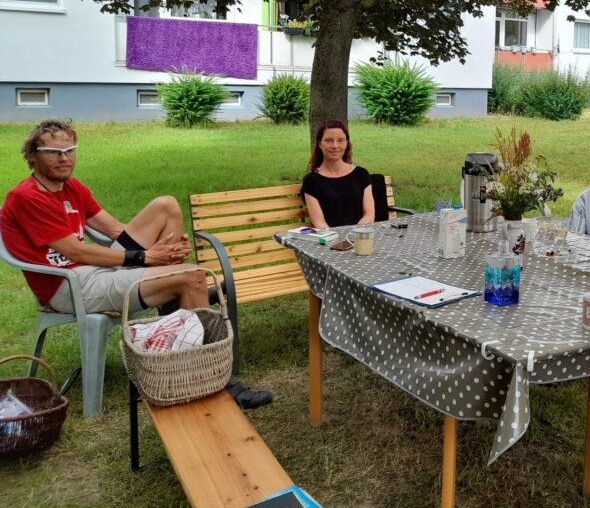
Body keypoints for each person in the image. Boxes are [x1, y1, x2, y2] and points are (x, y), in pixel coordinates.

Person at [1, 120, 271, 409]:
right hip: (67, 286)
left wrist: (164, 251)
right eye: (54, 152)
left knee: (166, 206)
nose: (64, 158)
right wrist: (147, 258)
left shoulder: (72, 188)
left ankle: (174, 307)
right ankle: (212, 377)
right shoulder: (28, 197)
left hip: (95, 272)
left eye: (70, 150)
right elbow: (77, 252)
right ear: (32, 156)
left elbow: (116, 230)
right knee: (193, 277)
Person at [300, 120, 375, 228]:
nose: (335, 146)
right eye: (329, 141)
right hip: (329, 237)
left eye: (340, 140)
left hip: (361, 234)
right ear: (320, 144)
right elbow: (320, 223)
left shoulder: (361, 174)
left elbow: (369, 215)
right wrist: (339, 238)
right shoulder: (311, 181)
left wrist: (355, 234)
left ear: (346, 143)